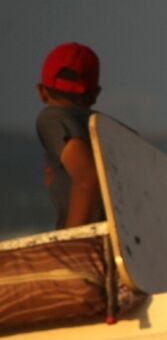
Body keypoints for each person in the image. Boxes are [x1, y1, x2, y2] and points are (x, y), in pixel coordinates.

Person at [35, 42, 105, 230]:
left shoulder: (52, 118)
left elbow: (86, 177)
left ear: (41, 92)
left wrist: (71, 242)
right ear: (95, 94)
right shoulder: (109, 130)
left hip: (87, 248)